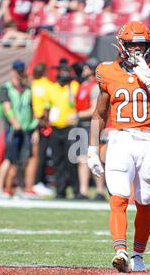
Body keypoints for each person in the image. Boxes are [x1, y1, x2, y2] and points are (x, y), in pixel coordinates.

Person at [88, 21, 150, 272]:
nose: (137, 50)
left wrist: (149, 81)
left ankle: (138, 255)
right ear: (122, 46)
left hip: (148, 140)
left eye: (142, 45)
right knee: (118, 197)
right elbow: (99, 114)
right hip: (120, 139)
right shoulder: (107, 71)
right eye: (132, 45)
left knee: (146, 200)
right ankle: (120, 251)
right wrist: (92, 149)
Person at [0, 60, 39, 199]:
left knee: (22, 160)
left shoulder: (28, 89)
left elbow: (32, 109)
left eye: (22, 71)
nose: (20, 74)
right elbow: (6, 107)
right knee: (9, 159)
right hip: (13, 130)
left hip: (26, 129)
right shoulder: (6, 88)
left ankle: (20, 188)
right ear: (12, 72)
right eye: (18, 71)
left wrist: (35, 129)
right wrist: (14, 122)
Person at [48, 60, 81, 199]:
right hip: (55, 128)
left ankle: (76, 189)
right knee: (58, 160)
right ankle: (60, 190)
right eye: (62, 72)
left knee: (71, 161)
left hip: (69, 128)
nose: (63, 75)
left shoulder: (73, 86)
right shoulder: (53, 87)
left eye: (66, 72)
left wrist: (68, 85)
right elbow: (48, 105)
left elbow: (73, 101)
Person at [76, 58, 106, 200]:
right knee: (82, 159)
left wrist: (76, 115)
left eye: (86, 67)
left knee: (95, 158)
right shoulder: (83, 85)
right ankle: (84, 191)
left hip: (91, 125)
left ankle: (100, 191)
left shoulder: (95, 87)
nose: (83, 70)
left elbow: (94, 109)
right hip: (82, 126)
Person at [31, 62, 55, 196]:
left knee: (37, 154)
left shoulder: (33, 85)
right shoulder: (48, 85)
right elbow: (49, 103)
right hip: (44, 122)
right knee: (41, 154)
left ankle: (39, 181)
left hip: (34, 121)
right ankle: (38, 181)